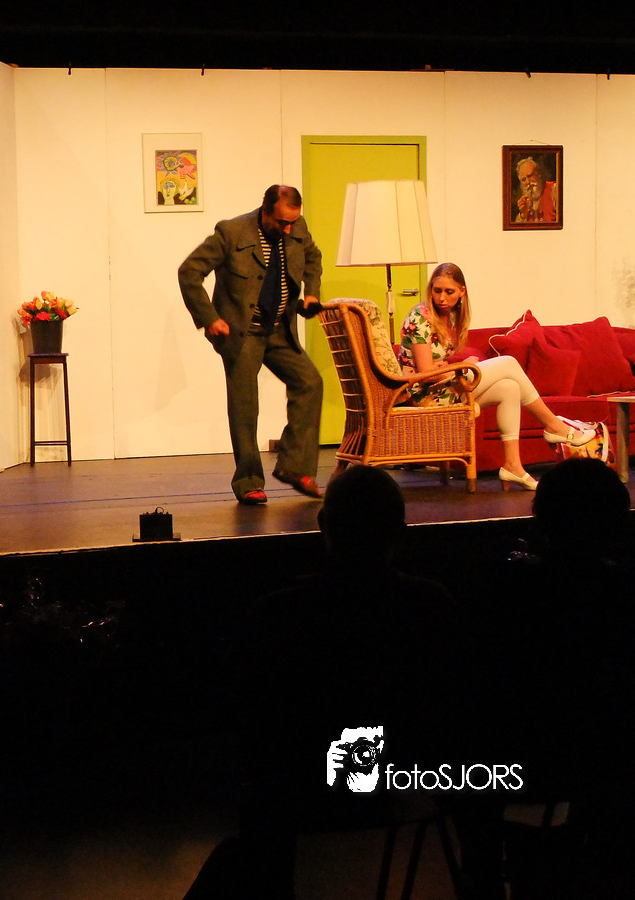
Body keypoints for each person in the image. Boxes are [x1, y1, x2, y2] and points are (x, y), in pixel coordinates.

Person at [182, 465, 461, 899]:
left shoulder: (278, 615)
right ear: (400, 532)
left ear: (323, 526)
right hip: (400, 783)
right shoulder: (431, 607)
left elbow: (230, 705)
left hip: (298, 789)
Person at [178, 185, 324, 504]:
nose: (288, 229)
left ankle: (294, 467)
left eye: (292, 222)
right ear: (265, 211)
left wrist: (312, 292)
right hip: (242, 332)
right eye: (282, 222)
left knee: (310, 382)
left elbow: (313, 257)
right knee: (245, 404)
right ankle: (248, 480)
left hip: (280, 329)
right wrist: (210, 317)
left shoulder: (296, 227)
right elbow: (189, 272)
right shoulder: (231, 233)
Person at [398, 262, 594, 490]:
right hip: (424, 396)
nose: (441, 298)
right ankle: (554, 426)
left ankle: (512, 466)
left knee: (509, 388)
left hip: (444, 387)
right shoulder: (421, 317)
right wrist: (462, 367)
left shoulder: (451, 317)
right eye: (437, 290)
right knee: (509, 363)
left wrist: (456, 368)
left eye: (449, 292)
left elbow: (438, 367)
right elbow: (425, 375)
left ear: (462, 292)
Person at [515, 157, 559, 224]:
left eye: (530, 176)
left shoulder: (554, 189)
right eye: (523, 180)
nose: (528, 182)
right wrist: (523, 215)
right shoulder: (524, 202)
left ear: (538, 174)